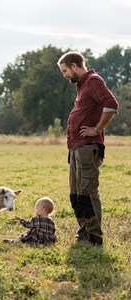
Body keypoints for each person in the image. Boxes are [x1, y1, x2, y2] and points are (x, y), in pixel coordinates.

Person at [57, 51, 119, 246]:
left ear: (75, 65)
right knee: (75, 195)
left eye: (65, 70)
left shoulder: (93, 81)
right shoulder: (82, 86)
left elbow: (111, 104)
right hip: (76, 148)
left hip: (87, 148)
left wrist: (97, 129)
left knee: (87, 193)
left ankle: (94, 237)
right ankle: (84, 232)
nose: (65, 74)